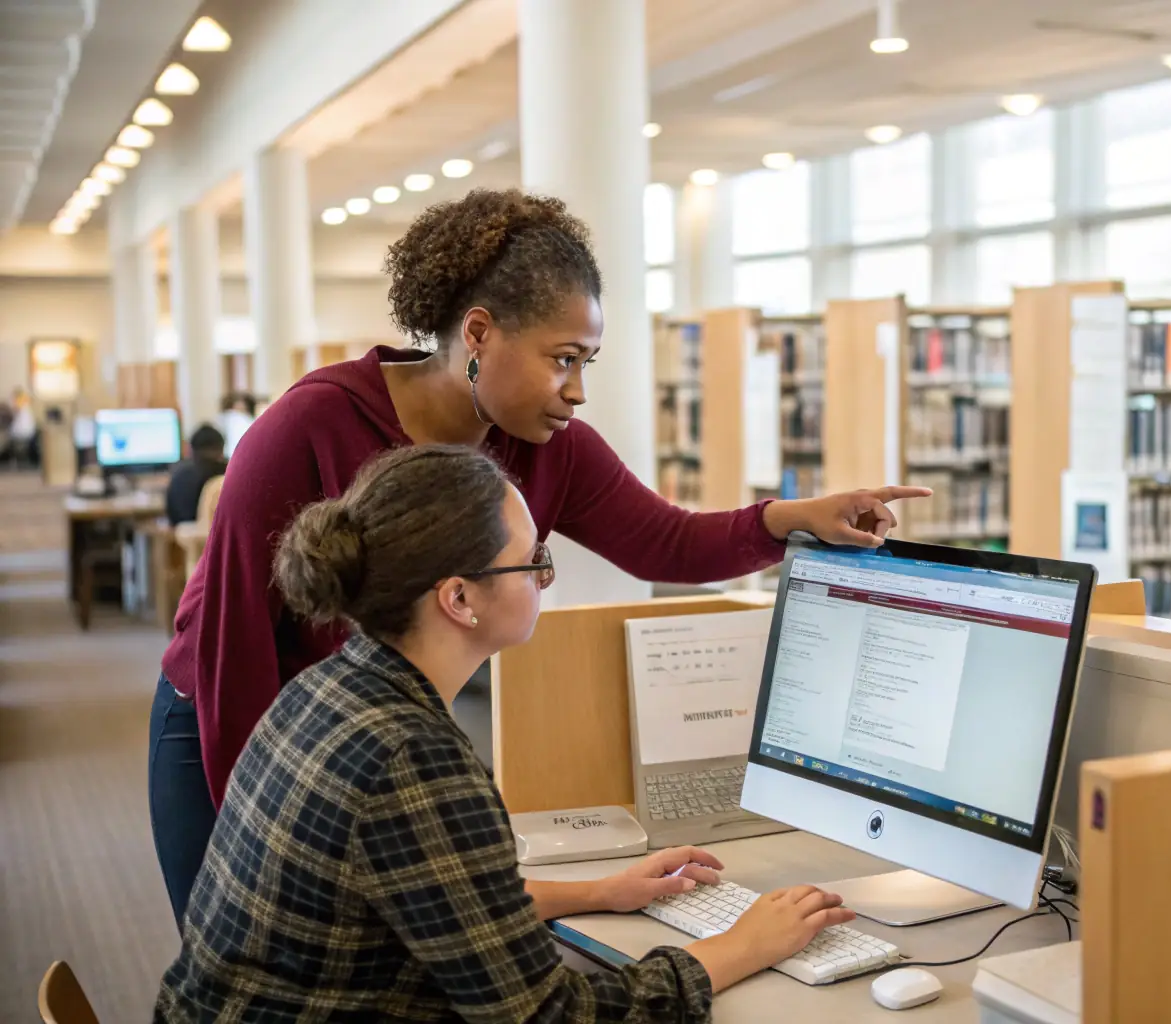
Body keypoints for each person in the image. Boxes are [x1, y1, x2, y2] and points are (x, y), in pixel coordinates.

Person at [148, 187, 930, 929]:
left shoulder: (547, 447)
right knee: (259, 951)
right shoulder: (308, 426)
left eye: (586, 362)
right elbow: (234, 647)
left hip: (375, 735)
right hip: (231, 724)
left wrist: (794, 518)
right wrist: (258, 834)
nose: (577, 389)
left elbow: (665, 542)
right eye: (563, 358)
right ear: (480, 334)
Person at [156, 444, 857, 1023]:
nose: (544, 580)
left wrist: (599, 892)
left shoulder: (328, 689)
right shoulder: (410, 755)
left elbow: (433, 896)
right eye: (532, 562)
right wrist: (742, 945)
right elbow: (548, 1017)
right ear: (458, 599)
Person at [165, 424, 228, 526]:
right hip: (213, 536)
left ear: (190, 449)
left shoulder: (178, 473)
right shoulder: (226, 474)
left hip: (181, 537)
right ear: (222, 448)